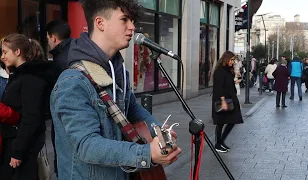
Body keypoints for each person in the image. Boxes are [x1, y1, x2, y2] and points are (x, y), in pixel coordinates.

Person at [49, 0, 182, 179]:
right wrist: (146, 153)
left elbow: (132, 109)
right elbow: (87, 145)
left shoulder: (118, 71)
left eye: (132, 20)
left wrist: (158, 131)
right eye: (124, 19)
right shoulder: (72, 82)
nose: (132, 27)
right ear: (100, 23)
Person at [0, 34, 52, 180]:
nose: (2, 56)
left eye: (5, 52)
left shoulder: (30, 78)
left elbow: (31, 116)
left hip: (21, 145)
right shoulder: (18, 75)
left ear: (17, 52)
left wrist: (18, 151)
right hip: (14, 142)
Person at [46, 19, 72, 177]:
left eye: (48, 39)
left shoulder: (61, 60)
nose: (48, 42)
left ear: (53, 38)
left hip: (65, 118)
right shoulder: (75, 50)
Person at [212, 51, 243, 153]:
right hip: (223, 99)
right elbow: (218, 87)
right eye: (231, 60)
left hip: (231, 98)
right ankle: (218, 143)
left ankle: (221, 141)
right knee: (220, 122)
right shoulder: (220, 71)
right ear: (226, 59)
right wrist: (223, 100)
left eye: (233, 60)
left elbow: (227, 83)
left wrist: (235, 81)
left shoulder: (229, 70)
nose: (233, 62)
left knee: (233, 120)